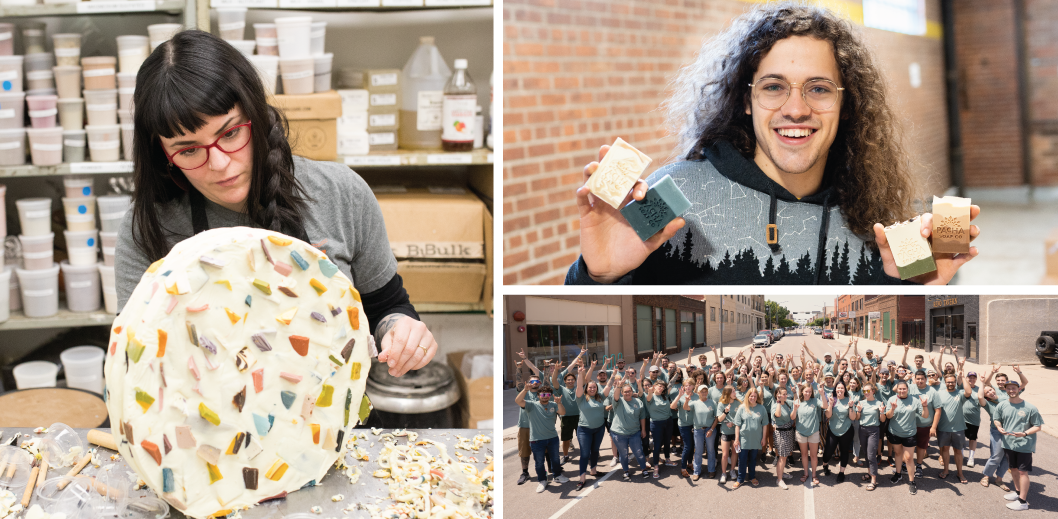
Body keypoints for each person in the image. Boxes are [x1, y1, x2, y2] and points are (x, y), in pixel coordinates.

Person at [566, 3, 980, 287]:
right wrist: (597, 277)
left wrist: (918, 287)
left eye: (818, 89)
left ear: (847, 104)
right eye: (773, 86)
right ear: (746, 100)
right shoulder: (670, 196)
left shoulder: (882, 216)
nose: (796, 109)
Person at [117, 30, 436, 378]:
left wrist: (400, 330)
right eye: (189, 149)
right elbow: (134, 361)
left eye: (230, 134)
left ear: (256, 113)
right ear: (161, 152)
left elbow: (387, 308)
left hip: (328, 427)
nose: (220, 163)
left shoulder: (341, 194)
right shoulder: (148, 226)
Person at [994, 379, 1045, 511]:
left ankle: (1022, 502)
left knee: (1023, 472)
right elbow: (996, 419)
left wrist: (1025, 433)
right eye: (1009, 388)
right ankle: (1017, 493)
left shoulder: (1030, 408)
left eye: (1014, 388)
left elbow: (1038, 426)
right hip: (1008, 444)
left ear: (1019, 389)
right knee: (1014, 470)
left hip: (1024, 445)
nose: (1011, 390)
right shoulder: (1002, 405)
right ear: (1005, 390)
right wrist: (999, 427)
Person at [515, 382, 569, 493]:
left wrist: (559, 403)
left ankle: (557, 476)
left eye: (548, 395)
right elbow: (518, 401)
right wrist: (525, 390)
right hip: (536, 440)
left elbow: (563, 412)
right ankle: (542, 480)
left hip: (552, 438)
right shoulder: (532, 405)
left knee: (555, 459)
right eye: (543, 395)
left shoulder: (553, 405)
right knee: (539, 462)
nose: (545, 397)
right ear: (538, 395)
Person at [574, 361, 614, 491]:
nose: (592, 389)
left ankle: (594, 471)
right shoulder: (581, 398)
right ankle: (582, 478)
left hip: (599, 428)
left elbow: (608, 386)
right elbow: (579, 386)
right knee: (585, 454)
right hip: (584, 430)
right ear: (587, 389)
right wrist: (580, 373)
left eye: (594, 387)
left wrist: (613, 375)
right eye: (590, 387)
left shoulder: (600, 397)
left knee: (595, 451)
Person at [886, 380, 929, 494]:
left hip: (909, 433)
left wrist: (924, 406)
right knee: (898, 454)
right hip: (895, 432)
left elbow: (925, 415)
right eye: (900, 389)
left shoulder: (914, 400)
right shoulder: (892, 399)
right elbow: (888, 416)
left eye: (904, 389)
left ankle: (912, 481)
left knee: (909, 458)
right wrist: (893, 408)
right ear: (897, 390)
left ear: (907, 389)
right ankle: (898, 474)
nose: (902, 391)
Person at [934, 370, 972, 483]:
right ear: (945, 382)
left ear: (955, 382)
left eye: (952, 382)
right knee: (945, 450)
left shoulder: (960, 393)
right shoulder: (939, 393)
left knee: (958, 451)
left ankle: (960, 473)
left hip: (958, 428)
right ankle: (946, 470)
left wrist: (963, 377)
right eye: (948, 382)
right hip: (943, 428)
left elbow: (968, 391)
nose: (950, 384)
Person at [611, 382, 650, 480]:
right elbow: (615, 395)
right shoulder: (618, 401)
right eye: (625, 392)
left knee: (639, 452)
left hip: (634, 433)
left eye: (629, 391)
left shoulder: (638, 401)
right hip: (619, 433)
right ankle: (626, 471)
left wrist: (643, 430)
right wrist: (619, 386)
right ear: (622, 393)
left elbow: (642, 416)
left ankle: (643, 469)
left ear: (632, 391)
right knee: (623, 454)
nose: (627, 393)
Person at [977, 374, 1010, 490]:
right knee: (996, 455)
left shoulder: (1005, 397)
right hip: (997, 431)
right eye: (987, 392)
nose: (990, 392)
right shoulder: (988, 404)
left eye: (991, 389)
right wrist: (981, 383)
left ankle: (999, 479)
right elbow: (980, 396)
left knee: (1007, 457)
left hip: (1011, 431)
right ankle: (986, 476)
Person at [907, 369, 940, 479]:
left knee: (921, 447)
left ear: (926, 379)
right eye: (918, 379)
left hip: (925, 425)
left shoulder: (932, 391)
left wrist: (934, 427)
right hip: (909, 424)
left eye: (922, 379)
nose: (920, 381)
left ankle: (919, 466)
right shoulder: (910, 388)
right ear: (914, 379)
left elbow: (938, 410)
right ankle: (904, 465)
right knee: (907, 446)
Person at [732, 388, 768, 488]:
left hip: (756, 439)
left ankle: (752, 477)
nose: (753, 398)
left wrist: (764, 438)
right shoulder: (742, 408)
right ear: (747, 397)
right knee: (742, 459)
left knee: (753, 459)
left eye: (755, 396)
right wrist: (737, 439)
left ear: (757, 397)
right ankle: (740, 479)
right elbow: (737, 425)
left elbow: (765, 424)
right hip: (744, 439)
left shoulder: (762, 408)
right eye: (751, 396)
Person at [821, 381, 854, 483]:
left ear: (845, 390)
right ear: (835, 389)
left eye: (842, 388)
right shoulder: (832, 399)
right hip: (833, 430)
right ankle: (825, 465)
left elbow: (852, 417)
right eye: (838, 388)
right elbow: (828, 416)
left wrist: (851, 407)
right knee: (828, 452)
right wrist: (830, 405)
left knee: (844, 452)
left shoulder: (849, 400)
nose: (840, 390)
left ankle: (841, 473)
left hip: (846, 430)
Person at [856, 383, 886, 490]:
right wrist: (859, 410)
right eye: (864, 391)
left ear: (873, 391)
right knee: (866, 453)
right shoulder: (861, 402)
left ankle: (873, 479)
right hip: (862, 429)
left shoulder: (879, 403)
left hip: (873, 430)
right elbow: (857, 418)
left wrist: (882, 412)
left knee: (871, 454)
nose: (866, 393)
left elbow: (882, 420)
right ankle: (869, 473)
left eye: (868, 391)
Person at [643, 379, 675, 477]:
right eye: (659, 386)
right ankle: (656, 466)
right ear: (655, 386)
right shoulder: (650, 396)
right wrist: (650, 391)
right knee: (657, 446)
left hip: (668, 421)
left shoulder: (664, 396)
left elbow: (671, 383)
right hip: (656, 424)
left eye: (663, 387)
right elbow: (648, 398)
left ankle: (667, 459)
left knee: (666, 442)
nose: (661, 388)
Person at [686, 384, 719, 481]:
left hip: (710, 429)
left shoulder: (712, 402)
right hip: (698, 430)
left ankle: (711, 470)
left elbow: (716, 418)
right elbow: (686, 408)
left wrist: (711, 429)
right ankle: (696, 471)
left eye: (705, 391)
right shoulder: (695, 403)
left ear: (707, 392)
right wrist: (687, 401)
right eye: (702, 391)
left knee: (711, 450)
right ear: (698, 393)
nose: (704, 393)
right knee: (698, 451)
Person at [794, 383, 822, 485]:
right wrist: (795, 409)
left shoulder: (815, 400)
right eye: (806, 391)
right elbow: (792, 417)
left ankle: (814, 475)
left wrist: (822, 394)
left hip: (813, 432)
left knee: (814, 456)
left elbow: (824, 406)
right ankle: (806, 473)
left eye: (810, 392)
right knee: (804, 454)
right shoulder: (797, 401)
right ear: (802, 391)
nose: (808, 393)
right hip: (801, 432)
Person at [671, 380, 698, 478]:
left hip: (694, 424)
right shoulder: (681, 396)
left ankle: (690, 463)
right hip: (684, 425)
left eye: (690, 385)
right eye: (686, 385)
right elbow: (672, 406)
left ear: (693, 386)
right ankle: (683, 468)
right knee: (687, 446)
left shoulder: (697, 396)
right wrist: (679, 396)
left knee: (692, 445)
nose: (688, 387)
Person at [771, 386, 796, 489]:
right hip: (781, 433)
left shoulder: (787, 403)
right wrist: (778, 402)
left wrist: (794, 394)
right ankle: (779, 479)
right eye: (784, 394)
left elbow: (795, 404)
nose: (786, 396)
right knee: (782, 457)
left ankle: (781, 473)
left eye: (786, 394)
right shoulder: (775, 405)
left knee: (785, 456)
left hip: (788, 431)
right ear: (778, 395)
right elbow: (777, 414)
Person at [717, 386, 741, 484]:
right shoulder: (721, 404)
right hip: (725, 432)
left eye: (735, 391)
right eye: (733, 392)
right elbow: (719, 419)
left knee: (735, 453)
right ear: (727, 394)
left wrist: (733, 423)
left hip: (735, 433)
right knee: (725, 454)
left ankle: (732, 471)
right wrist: (725, 412)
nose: (735, 393)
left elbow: (741, 418)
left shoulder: (739, 403)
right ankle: (723, 473)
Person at [963, 370, 981, 468]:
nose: (971, 379)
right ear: (966, 378)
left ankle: (971, 457)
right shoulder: (962, 387)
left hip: (974, 419)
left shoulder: (979, 389)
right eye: (970, 377)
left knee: (972, 438)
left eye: (974, 378)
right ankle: (961, 455)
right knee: (961, 437)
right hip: (962, 418)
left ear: (976, 379)